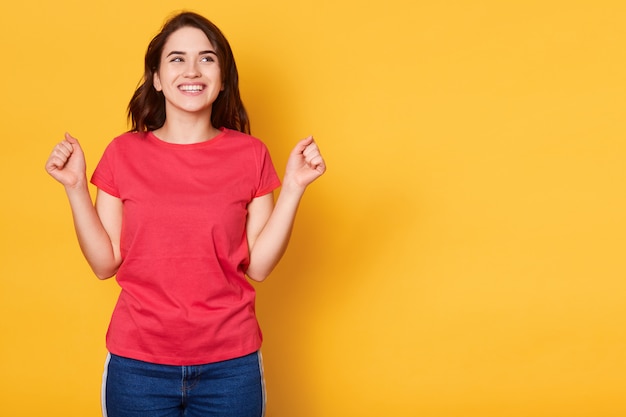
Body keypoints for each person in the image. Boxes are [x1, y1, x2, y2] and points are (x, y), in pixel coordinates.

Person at [44, 11, 325, 417]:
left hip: (231, 366)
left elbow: (259, 267)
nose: (192, 69)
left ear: (223, 76)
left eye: (206, 58)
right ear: (156, 78)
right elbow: (104, 263)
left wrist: (294, 186)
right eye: (176, 58)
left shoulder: (251, 154)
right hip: (137, 366)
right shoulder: (123, 154)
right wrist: (74, 187)